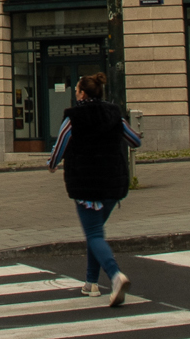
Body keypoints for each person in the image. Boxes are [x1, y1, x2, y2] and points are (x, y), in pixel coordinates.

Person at [47, 71, 141, 306]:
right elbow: (134, 140)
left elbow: (61, 144)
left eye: (77, 90)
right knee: (96, 231)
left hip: (86, 185)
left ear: (81, 93)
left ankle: (115, 275)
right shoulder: (114, 114)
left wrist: (52, 164)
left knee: (94, 234)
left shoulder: (73, 117)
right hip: (112, 186)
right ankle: (91, 283)